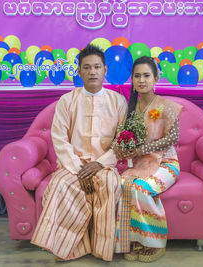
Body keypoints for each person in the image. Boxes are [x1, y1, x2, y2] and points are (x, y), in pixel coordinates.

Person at [31, 44, 127, 261]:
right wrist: (78, 168)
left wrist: (100, 164)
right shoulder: (67, 101)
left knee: (110, 185)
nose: (92, 72)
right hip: (73, 163)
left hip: (105, 164)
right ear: (79, 71)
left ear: (105, 70)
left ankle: (102, 249)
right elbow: (60, 140)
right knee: (60, 185)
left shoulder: (118, 101)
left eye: (97, 67)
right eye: (87, 67)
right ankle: (68, 247)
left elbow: (121, 142)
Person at [114, 56, 183, 262]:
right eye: (137, 76)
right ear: (132, 80)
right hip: (140, 164)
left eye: (146, 75)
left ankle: (155, 242)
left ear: (156, 78)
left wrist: (144, 148)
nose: (141, 80)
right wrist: (124, 148)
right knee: (124, 183)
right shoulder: (130, 109)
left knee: (141, 188)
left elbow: (173, 137)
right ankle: (134, 239)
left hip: (166, 164)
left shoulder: (166, 106)